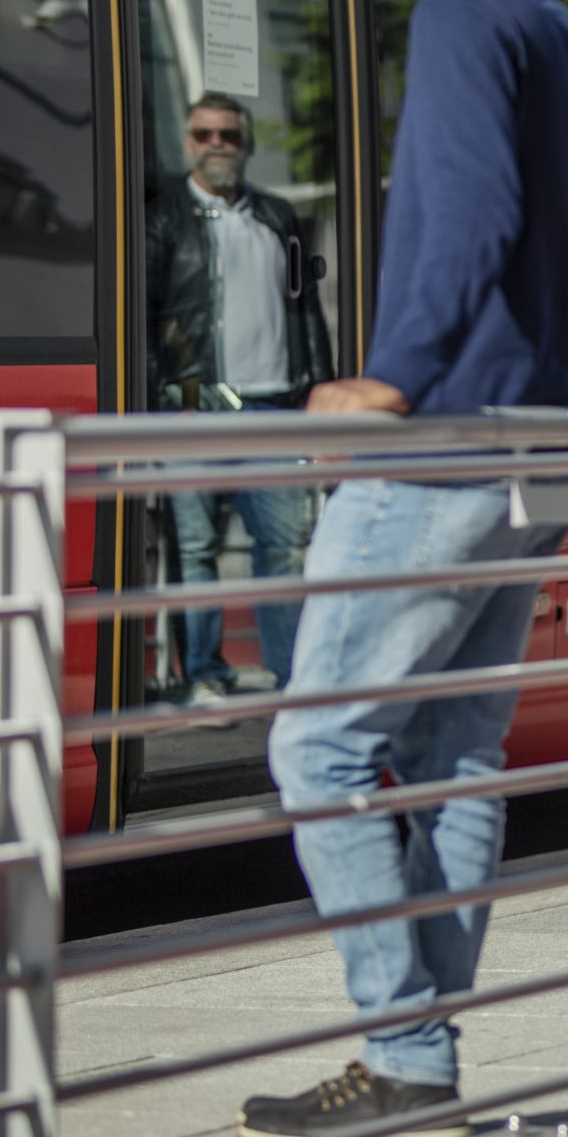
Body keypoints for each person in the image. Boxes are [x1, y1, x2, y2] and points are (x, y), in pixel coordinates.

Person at [236, 0, 568, 1137]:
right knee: (458, 751)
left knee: (321, 741)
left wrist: (387, 377)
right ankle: (420, 1055)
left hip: (448, 442)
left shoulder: (459, 20)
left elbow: (467, 214)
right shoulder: (567, 35)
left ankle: (405, 1053)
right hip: (547, 436)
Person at [145, 91, 334, 702]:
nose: (218, 145)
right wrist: (166, 394)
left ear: (246, 144)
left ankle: (289, 677)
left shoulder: (278, 216)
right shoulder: (163, 216)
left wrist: (320, 392)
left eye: (229, 134)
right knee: (195, 549)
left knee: (282, 549)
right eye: (205, 135)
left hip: (274, 408)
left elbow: (306, 313)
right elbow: (143, 317)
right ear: (188, 142)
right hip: (197, 405)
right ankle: (204, 672)